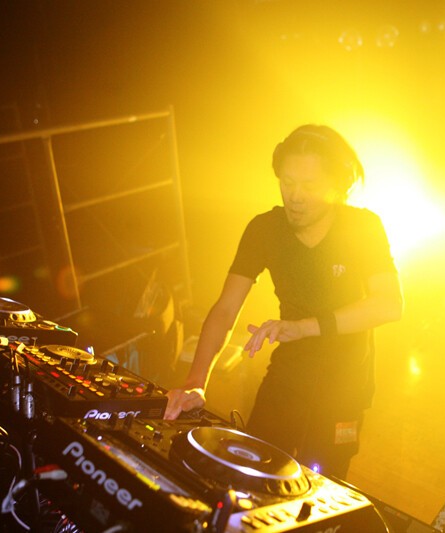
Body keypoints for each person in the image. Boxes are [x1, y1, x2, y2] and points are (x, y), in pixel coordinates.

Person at [165, 124, 403, 479]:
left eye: (309, 185)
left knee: (320, 488)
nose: (295, 195)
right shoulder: (264, 229)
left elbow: (389, 304)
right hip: (286, 379)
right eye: (287, 182)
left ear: (337, 186)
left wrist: (304, 327)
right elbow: (226, 309)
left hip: (345, 389)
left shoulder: (363, 227)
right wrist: (196, 380)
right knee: (250, 476)